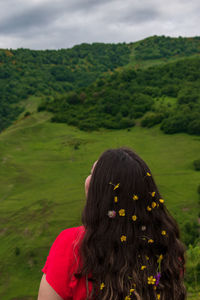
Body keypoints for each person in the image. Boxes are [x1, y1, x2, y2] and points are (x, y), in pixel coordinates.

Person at [37, 147, 186, 300]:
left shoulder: (72, 245)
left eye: (94, 175)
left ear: (102, 193)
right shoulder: (166, 250)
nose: (88, 180)